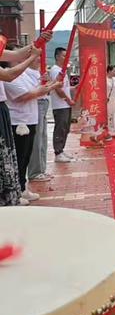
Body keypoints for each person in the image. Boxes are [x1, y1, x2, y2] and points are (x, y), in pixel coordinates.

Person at [0, 29, 50, 206]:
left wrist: (39, 42)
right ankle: (10, 194)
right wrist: (31, 57)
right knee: (11, 159)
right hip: (14, 118)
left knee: (17, 157)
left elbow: (16, 53)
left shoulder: (14, 61)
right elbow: (9, 76)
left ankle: (17, 190)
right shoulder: (10, 72)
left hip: (13, 114)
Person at [5, 59, 60, 203]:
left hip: (30, 119)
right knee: (19, 158)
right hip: (19, 122)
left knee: (26, 157)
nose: (22, 61)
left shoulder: (22, 75)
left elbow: (37, 92)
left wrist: (49, 85)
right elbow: (25, 95)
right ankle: (17, 192)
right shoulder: (8, 76)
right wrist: (47, 88)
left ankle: (22, 188)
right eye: (19, 58)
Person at [27, 58, 52, 182]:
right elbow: (29, 92)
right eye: (36, 57)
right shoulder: (25, 72)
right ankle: (34, 172)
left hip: (44, 103)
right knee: (36, 140)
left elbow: (45, 89)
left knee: (43, 138)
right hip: (35, 105)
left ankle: (41, 170)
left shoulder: (38, 72)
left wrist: (50, 83)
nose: (39, 60)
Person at [49, 47, 75, 163]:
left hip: (65, 105)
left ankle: (61, 150)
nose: (66, 58)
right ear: (57, 57)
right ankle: (58, 152)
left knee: (65, 128)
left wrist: (75, 88)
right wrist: (67, 100)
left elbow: (65, 88)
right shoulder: (55, 70)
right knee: (60, 128)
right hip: (60, 105)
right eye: (64, 56)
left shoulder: (62, 70)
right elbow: (58, 89)